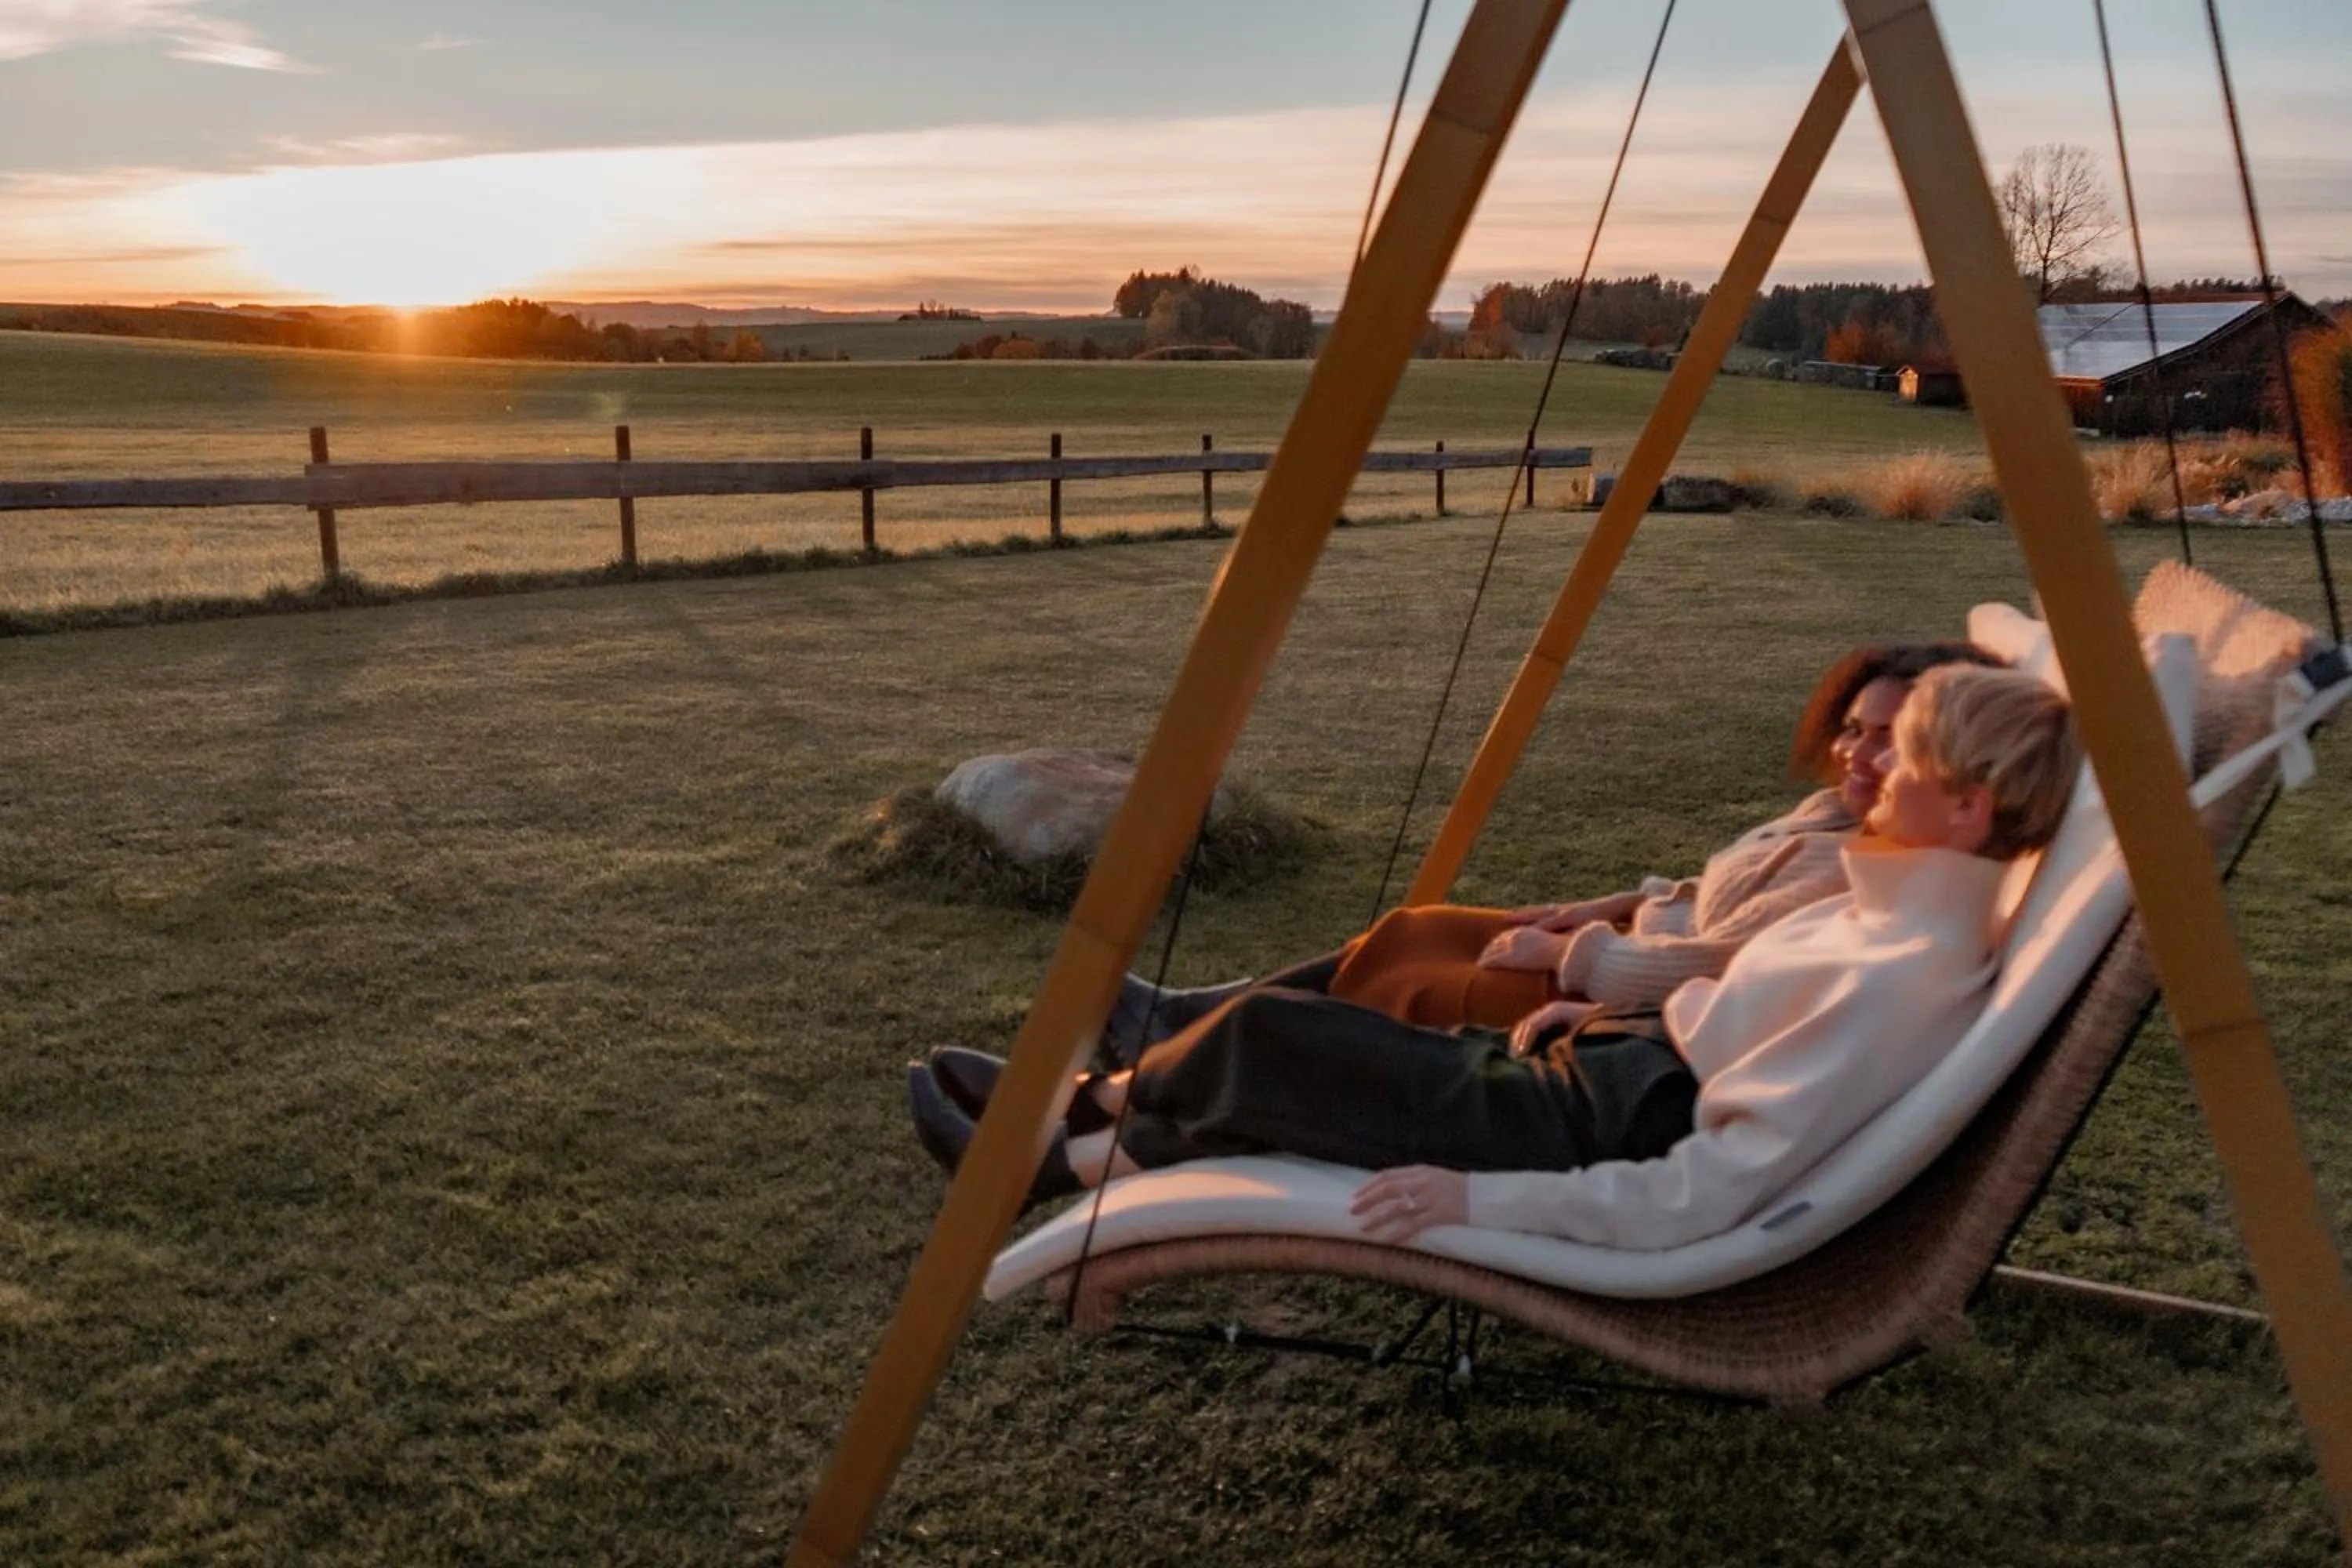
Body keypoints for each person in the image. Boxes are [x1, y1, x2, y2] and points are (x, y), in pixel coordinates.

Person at [909, 663, 2080, 1254]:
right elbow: (1731, 1008)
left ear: (1970, 811)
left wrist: (1479, 1195)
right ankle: (1079, 1144)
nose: (1870, 772)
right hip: (1606, 1074)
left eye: (1905, 760)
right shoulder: (1898, 911)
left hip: (1584, 1130)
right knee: (1315, 1065)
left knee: (1281, 1041)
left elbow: (1706, 1187)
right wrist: (1623, 1019)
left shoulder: (1906, 970)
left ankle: (1053, 1136)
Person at [1096, 641, 2001, 1058]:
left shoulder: (1888, 871)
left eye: (1887, 738)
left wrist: (1572, 954)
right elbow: (1706, 890)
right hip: (1618, 948)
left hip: (1625, 999)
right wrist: (1597, 908)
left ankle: (1186, 1061)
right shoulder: (1836, 814)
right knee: (1415, 927)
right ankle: (1193, 1015)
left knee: (1407, 983)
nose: (1856, 751)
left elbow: (1738, 959)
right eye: (1851, 727)